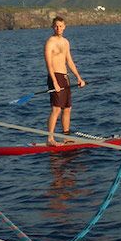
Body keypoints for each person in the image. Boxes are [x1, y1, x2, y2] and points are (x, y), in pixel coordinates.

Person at [45, 16, 85, 146]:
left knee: (67, 108)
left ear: (64, 27)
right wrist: (55, 82)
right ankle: (50, 139)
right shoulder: (50, 42)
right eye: (56, 26)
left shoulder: (66, 42)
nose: (58, 28)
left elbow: (69, 61)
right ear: (52, 27)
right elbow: (49, 64)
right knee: (56, 109)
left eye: (61, 26)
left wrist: (78, 78)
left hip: (65, 77)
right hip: (55, 77)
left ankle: (66, 137)